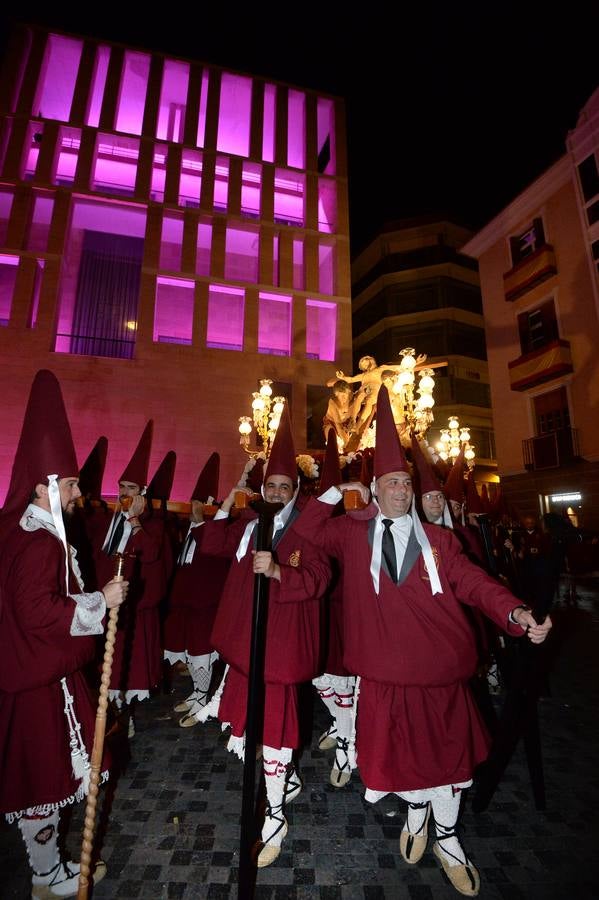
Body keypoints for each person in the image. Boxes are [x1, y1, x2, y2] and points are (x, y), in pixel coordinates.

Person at [294, 386, 551, 897]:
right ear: (375, 488)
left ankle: (449, 837)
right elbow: (304, 532)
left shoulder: (440, 541)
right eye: (390, 483)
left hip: (440, 676)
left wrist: (516, 613)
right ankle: (416, 815)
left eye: (405, 484)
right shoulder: (351, 532)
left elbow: (476, 584)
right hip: (385, 677)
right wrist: (337, 490)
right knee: (406, 762)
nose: (401, 492)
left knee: (449, 762)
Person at [0, 370, 127, 898]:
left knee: (48, 778)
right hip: (39, 680)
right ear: (45, 487)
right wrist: (101, 602)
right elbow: (35, 610)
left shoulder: (28, 531)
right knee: (45, 781)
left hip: (40, 673)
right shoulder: (37, 543)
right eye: (71, 483)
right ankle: (46, 874)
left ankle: (47, 869)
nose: (79, 491)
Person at [195, 405, 331, 866]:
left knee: (273, 734)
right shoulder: (250, 523)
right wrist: (235, 491)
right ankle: (284, 781)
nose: (275, 492)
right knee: (250, 730)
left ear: (296, 492)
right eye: (270, 486)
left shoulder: (309, 530)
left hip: (281, 652)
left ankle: (274, 813)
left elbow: (320, 578)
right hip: (244, 653)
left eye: (284, 487)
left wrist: (277, 571)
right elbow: (208, 544)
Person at [93, 420, 165, 737]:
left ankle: (125, 714)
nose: (123, 493)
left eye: (130, 488)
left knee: (127, 665)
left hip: (135, 605)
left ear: (142, 493)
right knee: (104, 664)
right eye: (121, 487)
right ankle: (104, 713)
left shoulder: (155, 523)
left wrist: (135, 519)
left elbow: (151, 554)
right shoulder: (109, 521)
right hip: (105, 602)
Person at [162, 452, 229, 726]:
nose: (193, 508)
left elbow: (213, 555)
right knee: (188, 650)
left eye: (198, 504)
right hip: (185, 602)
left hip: (204, 604)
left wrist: (202, 522)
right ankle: (196, 692)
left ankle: (203, 695)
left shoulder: (213, 530)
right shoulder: (189, 528)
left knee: (201, 651)